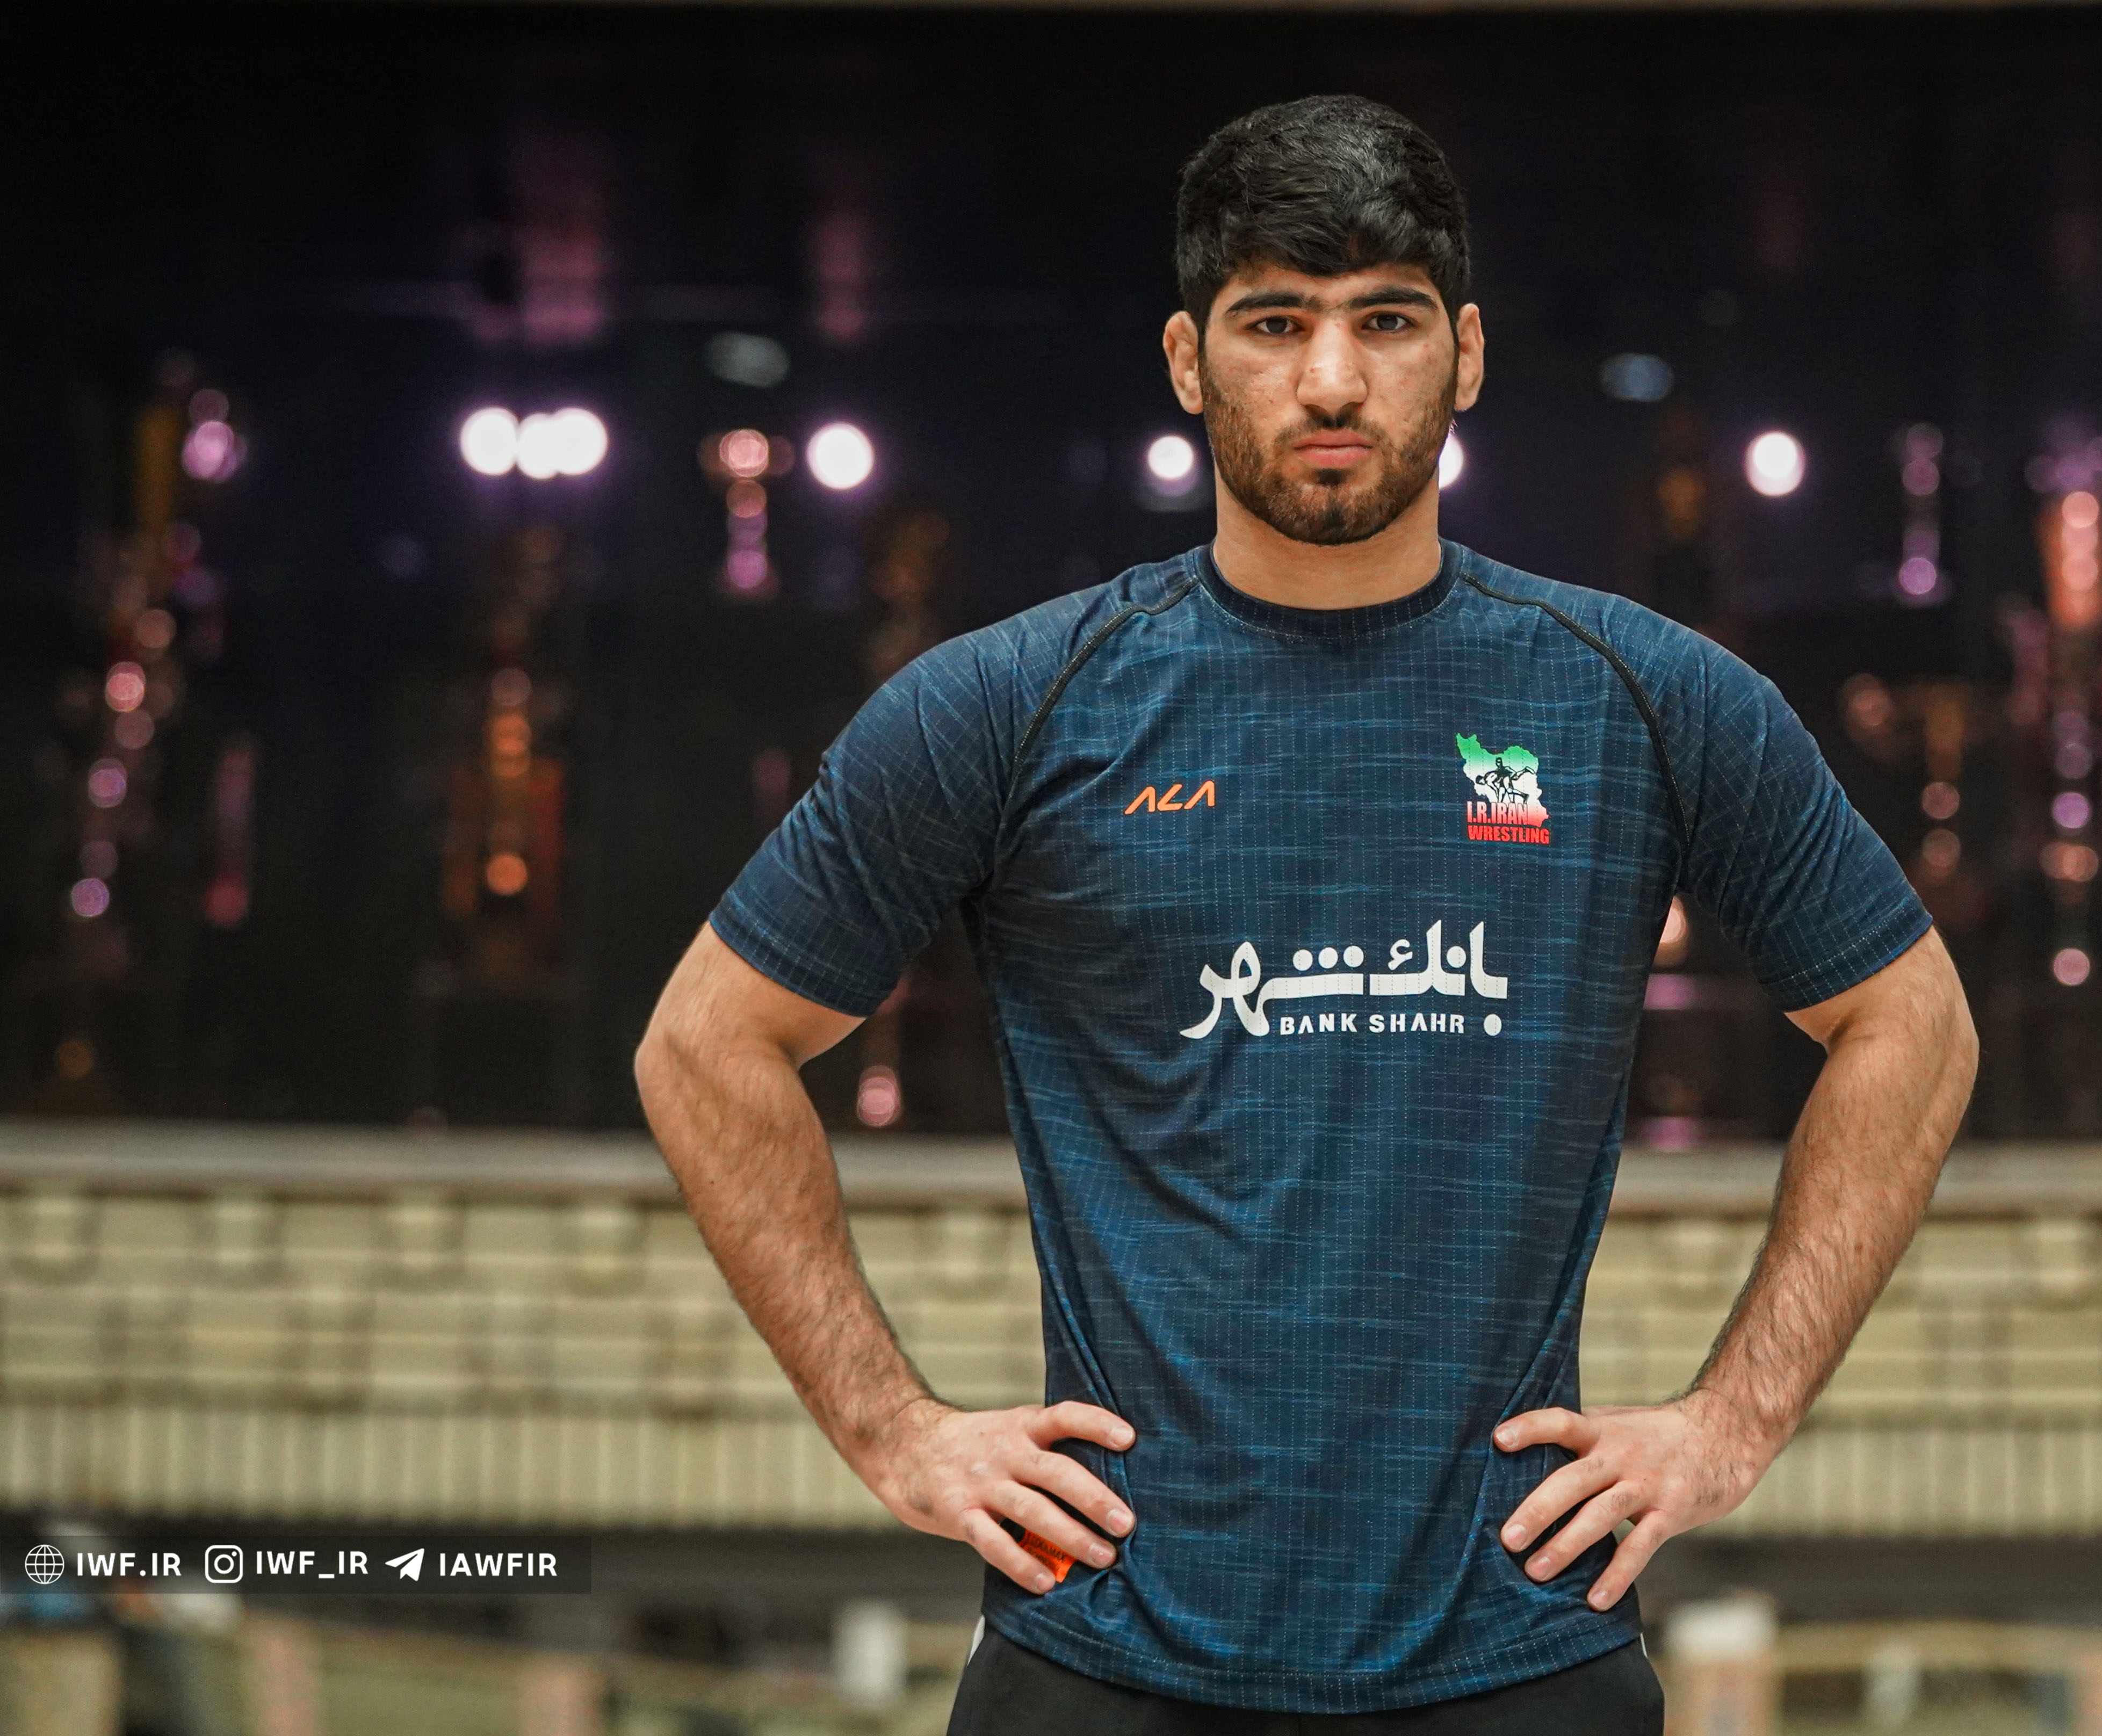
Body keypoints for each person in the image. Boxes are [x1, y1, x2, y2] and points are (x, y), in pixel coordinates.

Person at [635, 93, 1976, 1735]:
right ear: (1188, 362)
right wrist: (889, 1427)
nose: (1331, 381)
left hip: (1515, 1655)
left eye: (1385, 321)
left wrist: (1732, 1421)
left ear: (1464, 355)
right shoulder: (1011, 706)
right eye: (1274, 323)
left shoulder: (1642, 700)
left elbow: (1912, 1022)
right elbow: (706, 1047)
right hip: (1105, 1657)